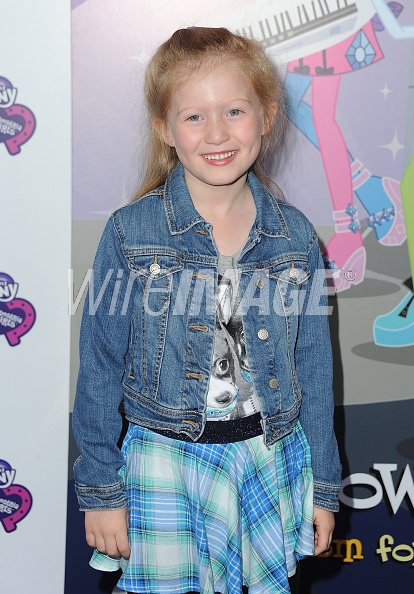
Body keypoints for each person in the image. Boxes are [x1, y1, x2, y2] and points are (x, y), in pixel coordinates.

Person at [72, 27, 342, 594]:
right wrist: (101, 492)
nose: (217, 133)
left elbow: (315, 373)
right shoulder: (130, 233)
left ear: (266, 117)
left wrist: (322, 488)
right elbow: (98, 369)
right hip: (163, 464)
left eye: (235, 111)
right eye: (194, 117)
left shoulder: (295, 239)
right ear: (164, 129)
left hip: (269, 461)